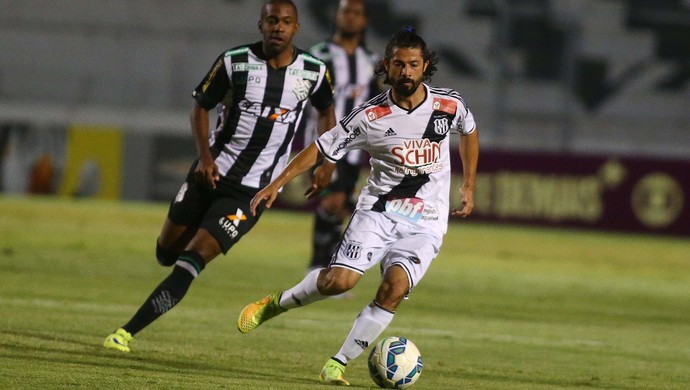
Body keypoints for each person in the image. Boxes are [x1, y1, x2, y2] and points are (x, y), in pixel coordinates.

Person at [236, 27, 479, 386]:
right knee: (339, 281)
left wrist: (469, 183)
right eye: (399, 64)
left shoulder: (449, 104)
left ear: (425, 65)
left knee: (394, 288)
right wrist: (277, 183)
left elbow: (469, 132)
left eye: (414, 64)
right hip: (379, 213)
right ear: (386, 66)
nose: (407, 72)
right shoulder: (371, 116)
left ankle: (337, 363)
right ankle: (276, 303)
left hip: (425, 222)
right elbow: (320, 148)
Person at [103, 0, 336, 353]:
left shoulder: (314, 71)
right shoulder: (234, 61)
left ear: (296, 28)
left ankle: (125, 333)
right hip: (209, 174)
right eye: (271, 20)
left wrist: (327, 161)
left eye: (285, 21)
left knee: (189, 262)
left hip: (253, 193)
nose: (278, 27)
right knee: (166, 252)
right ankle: (163, 275)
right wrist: (204, 157)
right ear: (260, 25)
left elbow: (326, 110)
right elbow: (200, 106)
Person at [303, 0, 380, 277]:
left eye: (356, 13)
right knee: (333, 202)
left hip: (356, 148)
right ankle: (316, 266)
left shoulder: (371, 62)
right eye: (345, 11)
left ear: (365, 20)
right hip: (322, 142)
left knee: (341, 207)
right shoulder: (317, 56)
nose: (350, 17)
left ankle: (328, 268)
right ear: (337, 15)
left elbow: (376, 104)